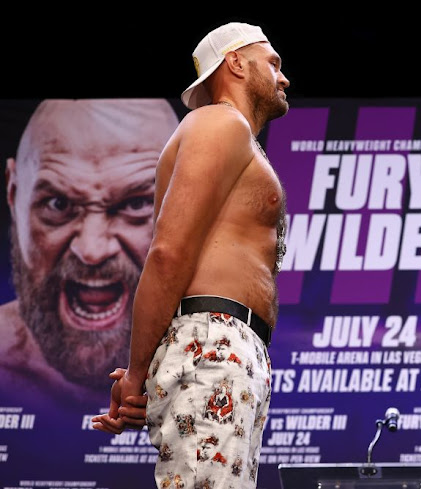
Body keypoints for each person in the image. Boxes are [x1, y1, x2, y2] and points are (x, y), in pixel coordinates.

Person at [91, 21, 290, 489]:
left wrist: (148, 365)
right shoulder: (218, 122)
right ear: (235, 63)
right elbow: (167, 252)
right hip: (213, 344)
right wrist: (137, 375)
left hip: (226, 348)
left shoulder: (234, 135)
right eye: (274, 63)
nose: (284, 78)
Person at [0, 98, 180, 409]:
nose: (92, 251)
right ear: (14, 194)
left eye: (137, 203)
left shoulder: (219, 359)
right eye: (58, 204)